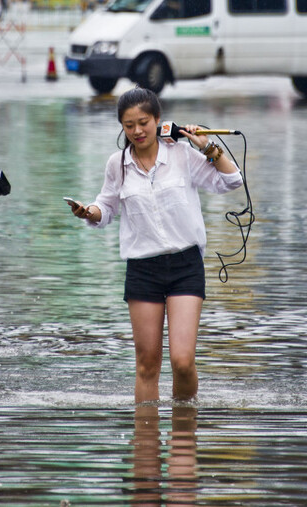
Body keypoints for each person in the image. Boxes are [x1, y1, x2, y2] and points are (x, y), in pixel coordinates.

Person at [65, 87, 243, 404]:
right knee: (147, 365)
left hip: (186, 266)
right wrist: (88, 211)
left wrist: (208, 148)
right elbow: (105, 209)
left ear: (159, 120)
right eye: (129, 125)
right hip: (142, 270)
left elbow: (231, 181)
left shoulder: (182, 154)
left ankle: (184, 430)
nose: (137, 131)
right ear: (121, 126)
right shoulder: (117, 164)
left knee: (182, 361)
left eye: (143, 122)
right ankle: (146, 445)